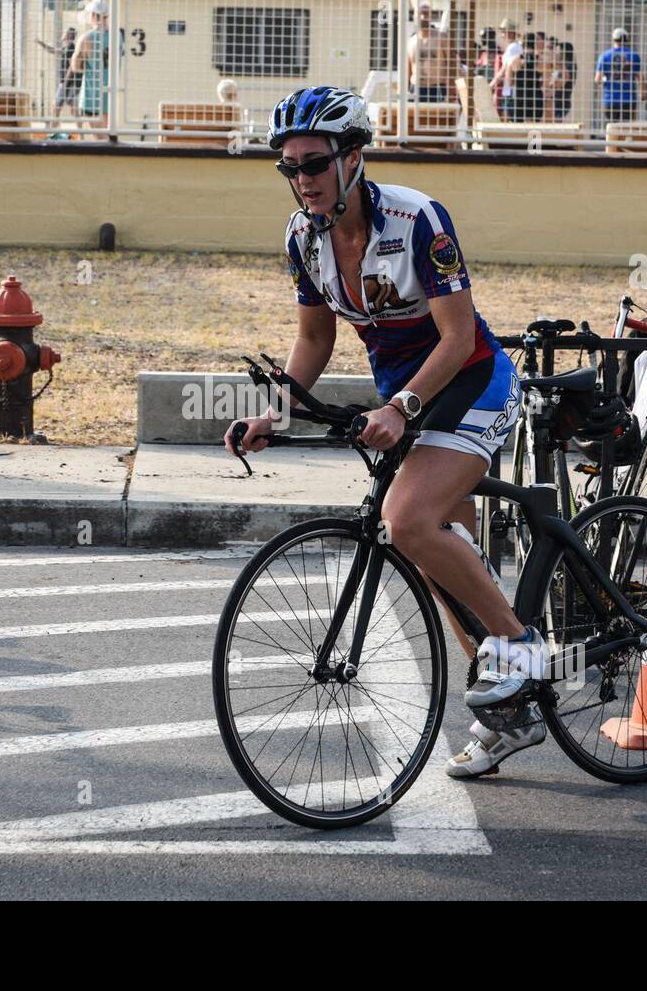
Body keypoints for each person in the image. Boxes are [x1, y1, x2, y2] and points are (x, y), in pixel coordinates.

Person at [225, 86, 548, 779]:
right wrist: (273, 415)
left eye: (314, 163)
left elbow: (459, 338)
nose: (302, 179)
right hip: (408, 397)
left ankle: (522, 646)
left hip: (469, 380)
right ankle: (510, 715)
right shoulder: (302, 238)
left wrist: (400, 406)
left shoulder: (416, 218)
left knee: (405, 521)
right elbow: (313, 339)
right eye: (289, 168)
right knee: (445, 560)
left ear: (353, 158)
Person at [66, 0, 117, 138]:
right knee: (109, 138)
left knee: (101, 139)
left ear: (94, 15)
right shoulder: (118, 36)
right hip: (111, 95)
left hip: (92, 96)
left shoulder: (87, 38)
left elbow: (75, 66)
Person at [407, 2, 463, 103]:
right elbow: (408, 70)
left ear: (431, 16)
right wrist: (405, 91)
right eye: (420, 13)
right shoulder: (411, 42)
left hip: (437, 89)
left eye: (426, 14)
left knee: (437, 118)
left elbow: (453, 65)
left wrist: (450, 93)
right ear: (414, 16)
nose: (423, 17)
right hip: (416, 89)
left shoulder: (441, 38)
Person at [594, 27, 643, 127]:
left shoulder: (604, 56)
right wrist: (643, 93)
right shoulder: (634, 56)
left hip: (610, 98)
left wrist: (605, 81)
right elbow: (640, 78)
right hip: (628, 99)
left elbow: (597, 79)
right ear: (627, 40)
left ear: (613, 40)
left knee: (612, 129)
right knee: (627, 128)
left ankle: (612, 143)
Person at [39, 26, 79, 118]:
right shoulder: (67, 48)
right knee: (71, 110)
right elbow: (52, 50)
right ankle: (81, 131)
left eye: (64, 32)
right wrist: (41, 43)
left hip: (67, 83)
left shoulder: (70, 49)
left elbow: (71, 67)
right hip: (68, 83)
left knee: (56, 107)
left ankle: (54, 128)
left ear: (68, 35)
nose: (63, 34)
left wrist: (65, 82)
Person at [490, 18, 523, 120]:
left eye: (503, 32)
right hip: (510, 88)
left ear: (510, 33)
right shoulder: (515, 47)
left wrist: (490, 85)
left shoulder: (513, 47)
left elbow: (504, 70)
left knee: (508, 118)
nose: (501, 35)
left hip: (511, 89)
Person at [512, 32, 544, 123]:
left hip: (520, 95)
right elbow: (543, 78)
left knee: (518, 125)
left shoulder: (516, 59)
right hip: (535, 95)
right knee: (535, 126)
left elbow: (511, 81)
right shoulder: (540, 59)